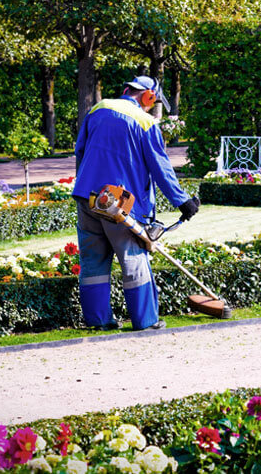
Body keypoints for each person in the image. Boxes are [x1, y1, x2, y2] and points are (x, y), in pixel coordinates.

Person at [72, 76, 200, 331]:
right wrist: (182, 201)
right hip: (120, 204)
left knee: (93, 262)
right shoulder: (145, 122)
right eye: (154, 101)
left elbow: (80, 150)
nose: (153, 107)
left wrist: (89, 185)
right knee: (133, 258)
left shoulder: (98, 109)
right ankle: (146, 321)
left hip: (88, 197)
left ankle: (99, 322)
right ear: (148, 96)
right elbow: (160, 166)